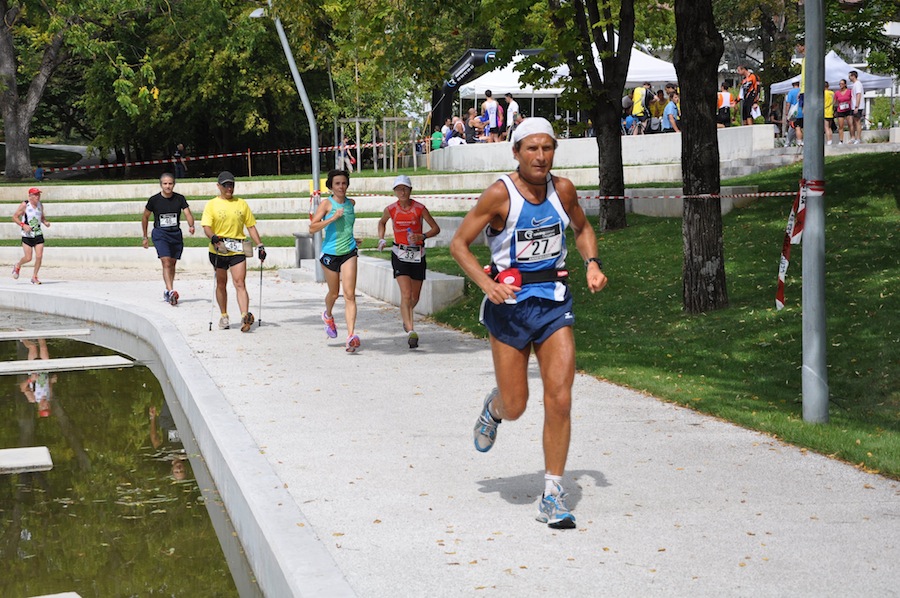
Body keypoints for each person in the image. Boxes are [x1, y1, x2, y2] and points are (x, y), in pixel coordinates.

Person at [449, 117, 608, 530]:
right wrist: (487, 284)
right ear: (516, 152)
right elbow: (458, 243)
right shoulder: (500, 195)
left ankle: (552, 494)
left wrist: (591, 262)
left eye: (547, 148)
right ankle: (495, 406)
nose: (540, 156)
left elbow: (583, 227)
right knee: (516, 406)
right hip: (510, 306)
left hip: (554, 301)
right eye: (532, 149)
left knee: (560, 396)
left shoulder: (564, 189)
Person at [376, 174, 441, 348]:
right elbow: (381, 223)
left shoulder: (419, 208)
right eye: (399, 189)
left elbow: (436, 228)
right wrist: (381, 238)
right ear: (395, 192)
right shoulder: (391, 209)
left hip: (418, 254)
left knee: (415, 296)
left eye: (405, 188)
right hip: (400, 254)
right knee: (406, 294)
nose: (402, 192)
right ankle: (411, 330)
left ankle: (406, 315)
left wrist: (423, 235)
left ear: (410, 190)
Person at [201, 171, 266, 333]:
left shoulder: (241, 204)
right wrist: (213, 237)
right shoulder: (212, 204)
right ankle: (224, 315)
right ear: (219, 186)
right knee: (221, 283)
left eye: (231, 185)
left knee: (239, 283)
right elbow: (206, 227)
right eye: (225, 185)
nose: (229, 188)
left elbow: (250, 226)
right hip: (219, 248)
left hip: (238, 248)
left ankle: (245, 316)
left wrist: (260, 245)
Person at [309, 169, 361, 352]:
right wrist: (332, 218)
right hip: (330, 254)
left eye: (344, 183)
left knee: (349, 294)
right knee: (334, 293)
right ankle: (328, 315)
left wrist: (354, 240)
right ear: (331, 186)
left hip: (349, 252)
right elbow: (312, 228)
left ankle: (351, 336)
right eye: (337, 183)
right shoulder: (326, 204)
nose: (341, 186)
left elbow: (347, 228)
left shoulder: (351, 203)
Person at [142, 173, 196, 306]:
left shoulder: (179, 198)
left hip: (175, 234)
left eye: (170, 183)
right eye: (165, 183)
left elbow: (187, 212)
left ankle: (167, 290)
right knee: (166, 261)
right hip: (160, 234)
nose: (168, 186)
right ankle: (171, 291)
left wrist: (191, 225)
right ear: (161, 185)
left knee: (172, 263)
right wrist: (145, 236)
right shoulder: (154, 200)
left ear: (174, 184)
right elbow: (145, 217)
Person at [12, 187, 51, 285]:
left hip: (38, 234)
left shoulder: (40, 205)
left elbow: (42, 217)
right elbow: (15, 217)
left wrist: (45, 222)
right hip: (27, 235)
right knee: (28, 258)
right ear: (30, 196)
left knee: (39, 256)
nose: (38, 197)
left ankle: (34, 276)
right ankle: (18, 265)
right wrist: (23, 225)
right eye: (36, 195)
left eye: (38, 194)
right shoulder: (25, 205)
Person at [834, 78, 853, 144]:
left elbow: (852, 99)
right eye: (840, 84)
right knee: (840, 126)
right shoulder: (837, 93)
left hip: (848, 109)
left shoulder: (849, 91)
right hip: (840, 110)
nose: (840, 85)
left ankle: (852, 138)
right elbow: (835, 102)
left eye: (842, 84)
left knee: (850, 124)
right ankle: (841, 140)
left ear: (845, 84)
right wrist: (834, 110)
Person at [785, 81, 803, 146]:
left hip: (794, 113)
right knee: (802, 127)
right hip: (803, 111)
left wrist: (787, 113)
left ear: (792, 84)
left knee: (797, 127)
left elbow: (788, 104)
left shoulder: (791, 92)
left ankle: (799, 141)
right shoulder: (802, 91)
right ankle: (802, 140)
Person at [849, 70, 864, 144]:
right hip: (853, 106)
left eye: (850, 76)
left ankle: (858, 138)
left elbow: (858, 94)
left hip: (857, 106)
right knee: (853, 122)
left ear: (853, 76)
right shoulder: (854, 84)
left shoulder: (858, 84)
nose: (849, 78)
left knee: (857, 122)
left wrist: (856, 106)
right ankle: (853, 138)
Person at [824, 81, 836, 146]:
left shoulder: (823, 93)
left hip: (825, 111)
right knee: (829, 127)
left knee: (826, 127)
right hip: (831, 111)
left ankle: (828, 140)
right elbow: (834, 101)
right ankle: (831, 140)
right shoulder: (832, 93)